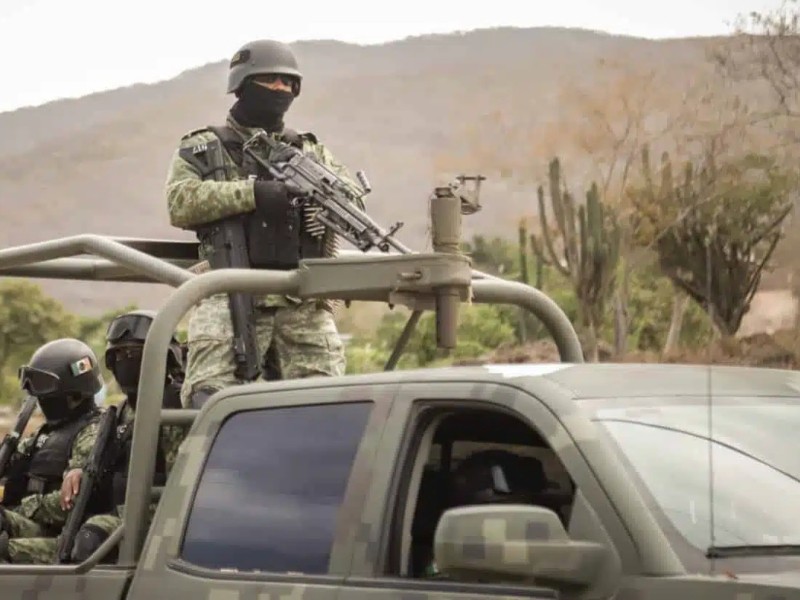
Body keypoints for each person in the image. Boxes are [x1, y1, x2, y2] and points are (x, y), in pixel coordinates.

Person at [164, 39, 362, 408]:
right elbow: (180, 202)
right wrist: (255, 193)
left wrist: (324, 204)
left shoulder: (308, 151)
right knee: (208, 400)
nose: (281, 90)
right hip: (228, 287)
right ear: (243, 84)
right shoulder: (204, 147)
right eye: (270, 81)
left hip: (298, 295)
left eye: (289, 83)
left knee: (327, 404)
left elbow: (351, 197)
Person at [0, 339, 104, 564]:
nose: (41, 399)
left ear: (75, 394)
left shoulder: (92, 433)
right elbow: (13, 462)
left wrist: (23, 507)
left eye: (45, 390)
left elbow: (70, 501)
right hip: (33, 525)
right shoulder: (46, 433)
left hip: (62, 537)